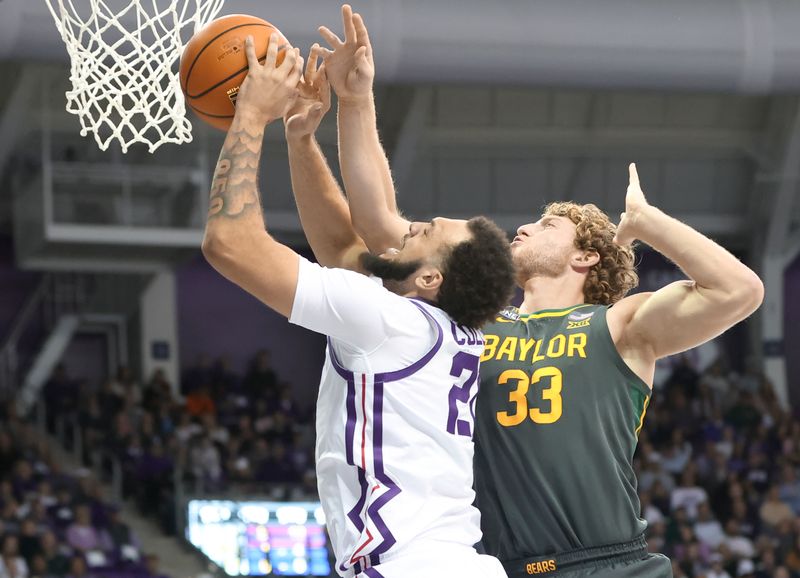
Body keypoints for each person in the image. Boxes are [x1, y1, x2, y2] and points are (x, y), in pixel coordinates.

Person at [315, 5, 765, 578]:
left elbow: (740, 290)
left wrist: (648, 223)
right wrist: (355, 101)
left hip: (612, 563)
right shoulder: (473, 320)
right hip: (497, 568)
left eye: (548, 225)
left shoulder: (618, 327)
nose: (525, 227)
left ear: (586, 257)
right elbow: (382, 225)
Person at [201, 32, 514, 578]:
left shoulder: (394, 323)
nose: (406, 228)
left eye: (422, 231)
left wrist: (250, 113)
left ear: (431, 277)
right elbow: (345, 250)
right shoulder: (431, 326)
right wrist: (301, 140)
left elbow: (230, 244)